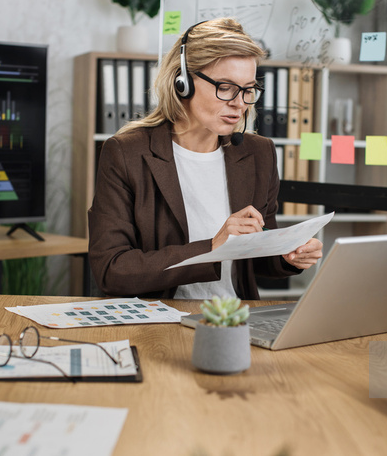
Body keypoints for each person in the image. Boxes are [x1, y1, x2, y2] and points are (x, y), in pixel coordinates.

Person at [88, 18, 323, 300]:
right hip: (159, 322)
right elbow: (112, 271)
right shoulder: (127, 153)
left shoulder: (258, 153)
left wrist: (288, 255)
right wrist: (212, 247)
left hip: (234, 320)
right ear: (183, 82)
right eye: (225, 87)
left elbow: (256, 257)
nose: (239, 103)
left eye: (248, 90)